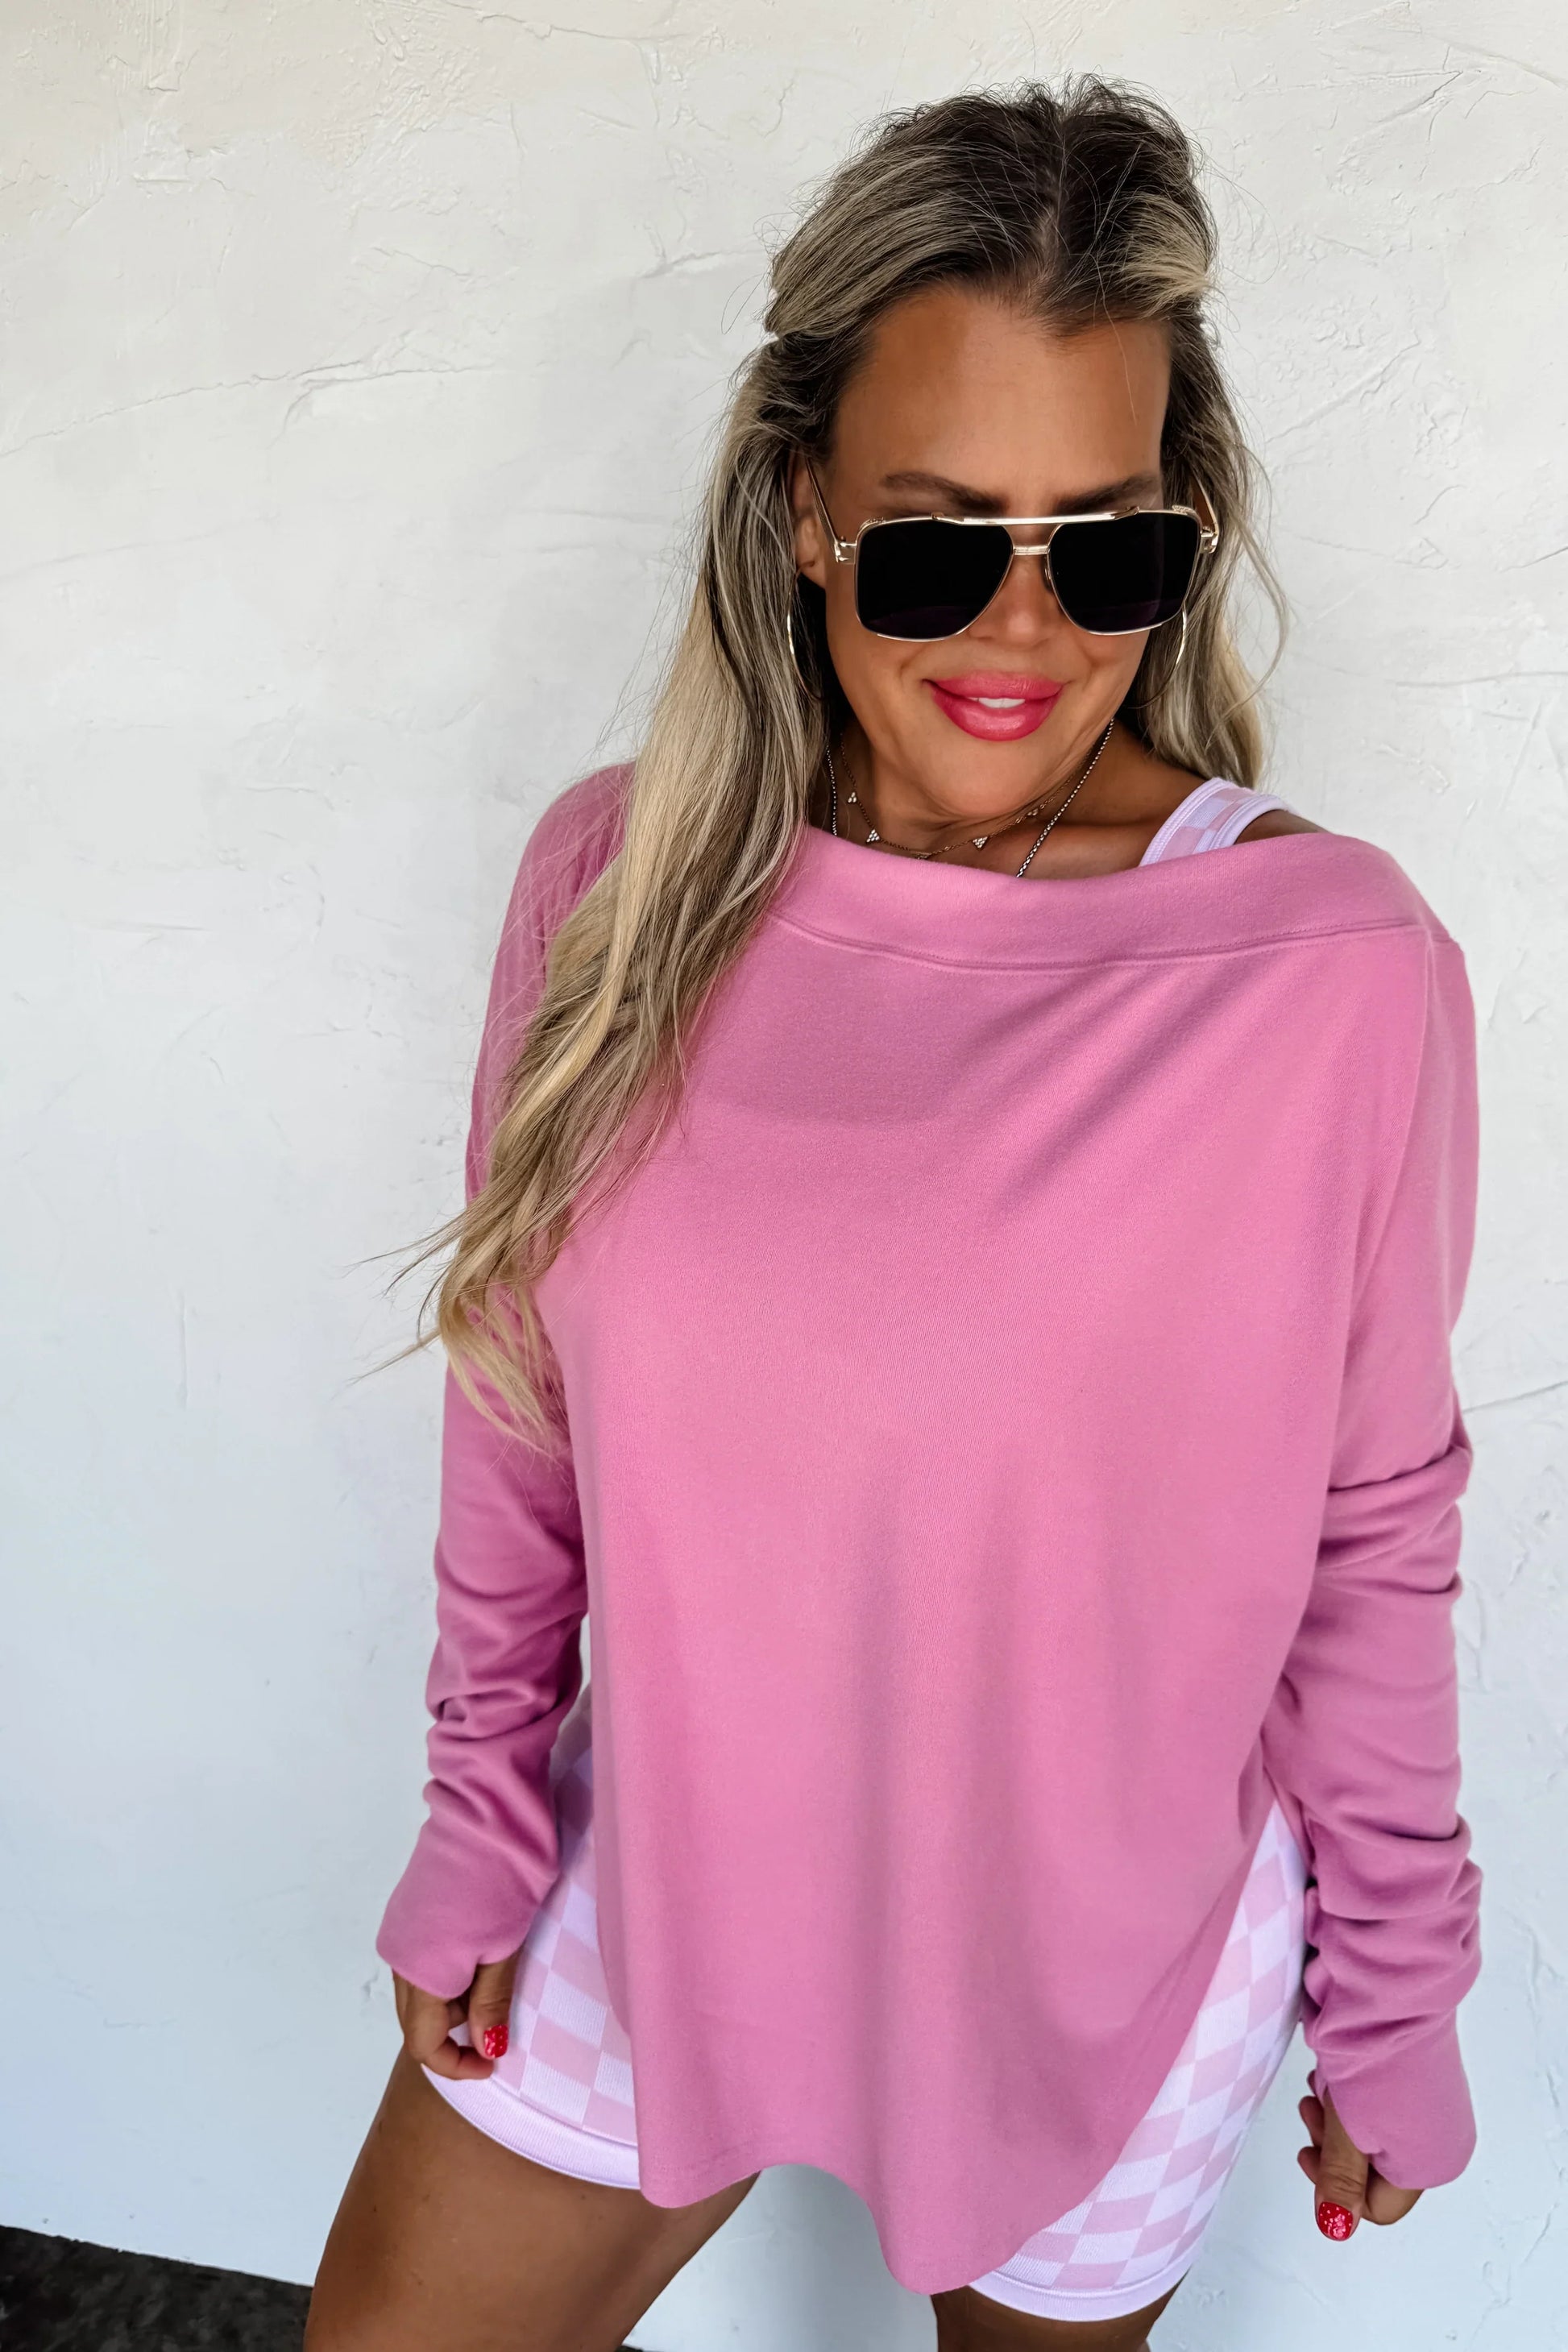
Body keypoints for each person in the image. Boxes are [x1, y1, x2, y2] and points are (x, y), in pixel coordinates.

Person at [307, 76, 1483, 2352]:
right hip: (657, 1866)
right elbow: (521, 1403)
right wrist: (476, 1809)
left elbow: (1369, 1530)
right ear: (801, 515)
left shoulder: (1325, 971)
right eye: (938, 545)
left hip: (1100, 1956)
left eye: (1105, 549)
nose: (1020, 633)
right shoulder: (621, 885)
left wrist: (1398, 1995)